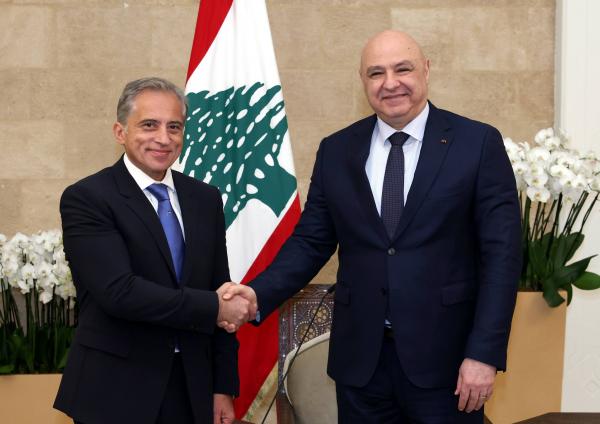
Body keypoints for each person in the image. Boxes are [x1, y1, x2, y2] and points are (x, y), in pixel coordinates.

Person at [219, 30, 522, 423]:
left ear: (426, 70)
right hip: (361, 366)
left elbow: (502, 257)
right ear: (362, 81)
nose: (390, 83)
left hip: (446, 364)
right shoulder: (337, 150)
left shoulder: (476, 143)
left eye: (403, 69)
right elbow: (311, 241)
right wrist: (256, 294)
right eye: (376, 73)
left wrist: (483, 354)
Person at [54, 77, 255, 424]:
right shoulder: (87, 198)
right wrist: (215, 307)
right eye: (149, 125)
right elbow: (120, 292)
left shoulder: (205, 199)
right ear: (120, 132)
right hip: (116, 390)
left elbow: (219, 286)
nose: (164, 138)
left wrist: (222, 386)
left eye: (174, 127)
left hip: (192, 387)